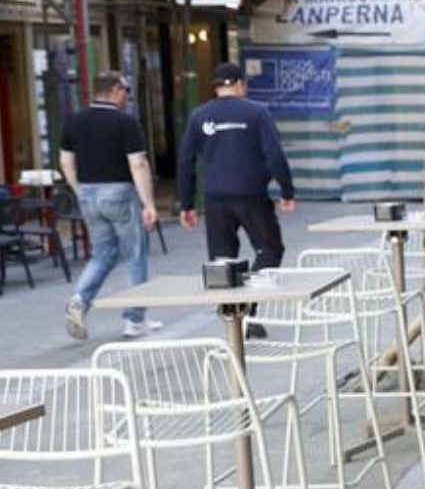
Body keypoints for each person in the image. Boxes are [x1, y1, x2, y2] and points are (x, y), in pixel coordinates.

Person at [177, 62, 297, 338]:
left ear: (217, 85)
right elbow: (275, 155)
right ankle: (246, 310)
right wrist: (287, 191)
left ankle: (233, 319)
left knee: (222, 261)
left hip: (215, 197)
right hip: (252, 194)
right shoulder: (256, 112)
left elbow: (185, 161)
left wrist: (186, 204)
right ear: (240, 84)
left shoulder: (199, 116)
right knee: (269, 249)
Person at [58, 70, 161, 340]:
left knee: (102, 253)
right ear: (115, 90)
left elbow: (65, 161)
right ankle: (135, 320)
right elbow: (137, 164)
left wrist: (78, 189)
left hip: (88, 193)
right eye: (126, 89)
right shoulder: (125, 122)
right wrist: (148, 203)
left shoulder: (74, 121)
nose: (128, 95)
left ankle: (79, 300)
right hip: (119, 192)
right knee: (134, 254)